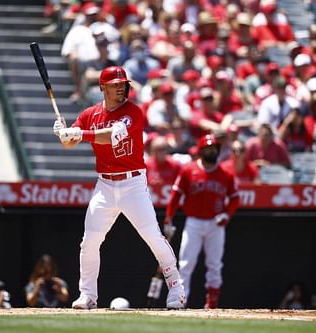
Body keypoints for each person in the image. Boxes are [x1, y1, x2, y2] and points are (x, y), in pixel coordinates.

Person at [52, 66, 186, 309]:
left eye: (122, 83)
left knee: (153, 237)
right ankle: (87, 295)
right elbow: (70, 143)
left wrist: (78, 133)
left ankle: (177, 287)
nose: (120, 87)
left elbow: (110, 135)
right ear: (102, 87)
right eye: (115, 84)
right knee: (90, 241)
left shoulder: (133, 112)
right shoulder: (90, 114)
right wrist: (62, 133)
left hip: (133, 184)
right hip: (104, 185)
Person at [163, 134, 239, 309]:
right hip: (194, 222)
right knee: (185, 263)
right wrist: (169, 218)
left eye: (214, 149)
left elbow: (235, 199)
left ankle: (212, 303)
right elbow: (175, 196)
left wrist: (227, 214)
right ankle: (180, 300)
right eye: (208, 148)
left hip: (216, 223)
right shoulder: (188, 170)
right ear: (200, 150)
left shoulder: (226, 173)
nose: (211, 151)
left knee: (214, 265)